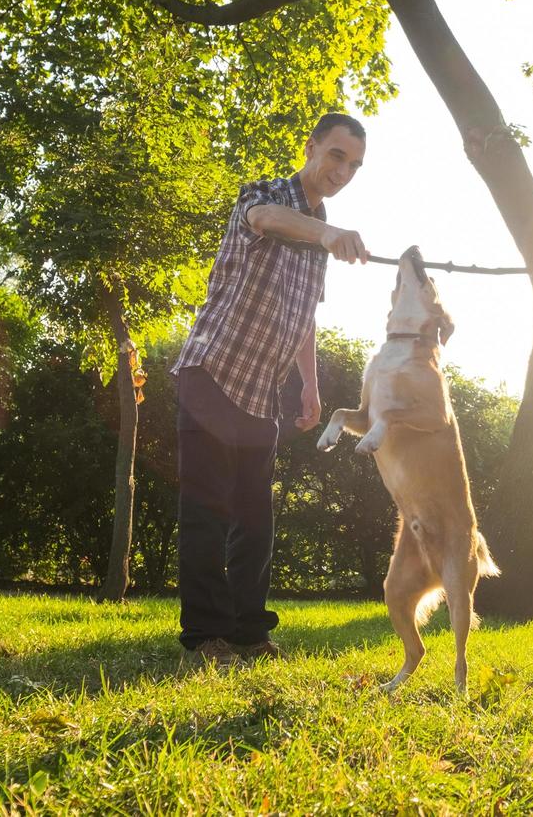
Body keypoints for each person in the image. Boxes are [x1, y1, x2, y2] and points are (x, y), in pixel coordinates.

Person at [172, 112, 370, 668]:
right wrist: (326, 233)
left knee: (255, 521)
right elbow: (264, 220)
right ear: (311, 147)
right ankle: (205, 638)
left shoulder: (320, 230)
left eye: (354, 165)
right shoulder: (265, 194)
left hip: (261, 392)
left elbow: (305, 316)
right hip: (211, 372)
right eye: (336, 155)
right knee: (207, 512)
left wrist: (309, 383)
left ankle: (248, 633)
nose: (343, 171)